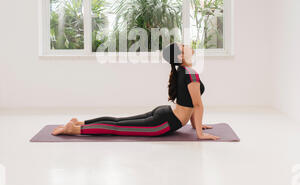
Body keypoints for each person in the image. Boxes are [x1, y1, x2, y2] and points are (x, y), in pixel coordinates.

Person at [52, 43, 219, 140]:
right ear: (181, 56)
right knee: (117, 129)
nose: (188, 45)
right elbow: (197, 105)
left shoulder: (182, 72)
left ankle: (80, 123)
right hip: (163, 123)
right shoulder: (191, 73)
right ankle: (73, 129)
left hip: (165, 114)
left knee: (117, 121)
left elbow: (189, 102)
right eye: (184, 46)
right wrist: (199, 134)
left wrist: (197, 124)